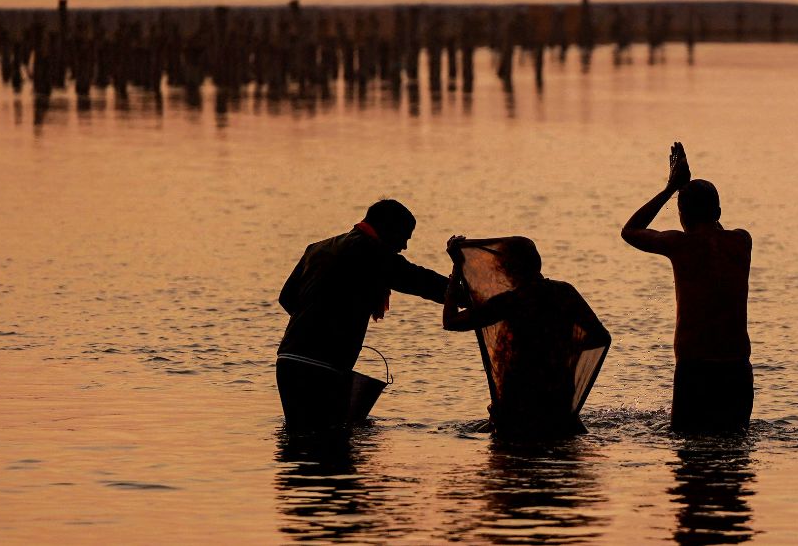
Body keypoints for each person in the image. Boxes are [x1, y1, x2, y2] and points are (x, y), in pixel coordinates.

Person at [276, 199, 449, 432]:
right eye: (404, 237)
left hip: (287, 361)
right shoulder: (371, 252)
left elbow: (287, 298)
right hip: (322, 368)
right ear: (387, 228)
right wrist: (473, 295)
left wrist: (319, 317)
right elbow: (420, 281)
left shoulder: (317, 248)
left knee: (302, 440)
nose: (404, 246)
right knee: (331, 445)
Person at [620, 142, 753, 433]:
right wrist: (690, 189)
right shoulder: (742, 241)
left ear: (681, 215)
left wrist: (671, 188)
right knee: (735, 450)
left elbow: (629, 231)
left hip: (695, 366)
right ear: (718, 211)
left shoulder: (678, 244)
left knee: (688, 451)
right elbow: (713, 231)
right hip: (738, 366)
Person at [442, 236, 611, 439]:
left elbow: (451, 321)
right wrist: (563, 350)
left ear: (508, 269)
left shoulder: (510, 301)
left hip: (519, 398)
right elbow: (600, 337)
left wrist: (456, 271)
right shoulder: (565, 292)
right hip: (559, 394)